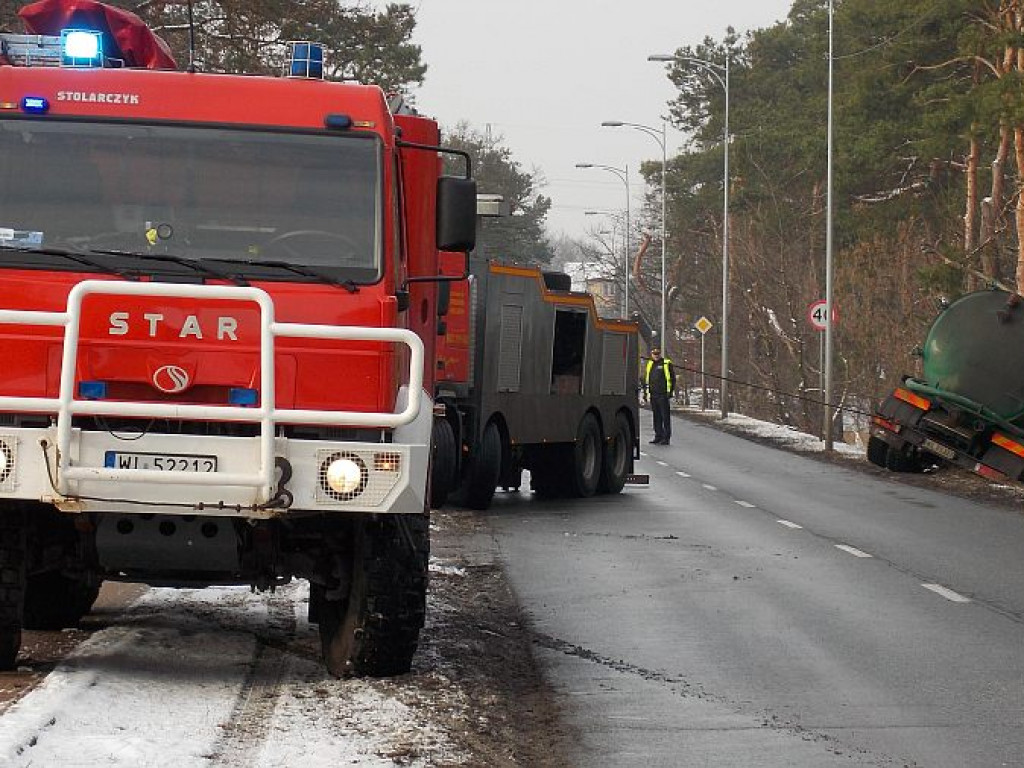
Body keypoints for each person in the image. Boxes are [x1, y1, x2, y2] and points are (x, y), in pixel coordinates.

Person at [644, 347, 676, 445]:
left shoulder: (666, 363)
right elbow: (647, 379)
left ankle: (666, 438)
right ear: (651, 354)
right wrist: (646, 393)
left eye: (657, 354)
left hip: (663, 394)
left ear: (660, 354)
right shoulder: (650, 363)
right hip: (653, 394)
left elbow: (672, 379)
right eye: (654, 354)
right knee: (656, 416)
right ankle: (658, 436)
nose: (656, 356)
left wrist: (670, 392)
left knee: (665, 417)